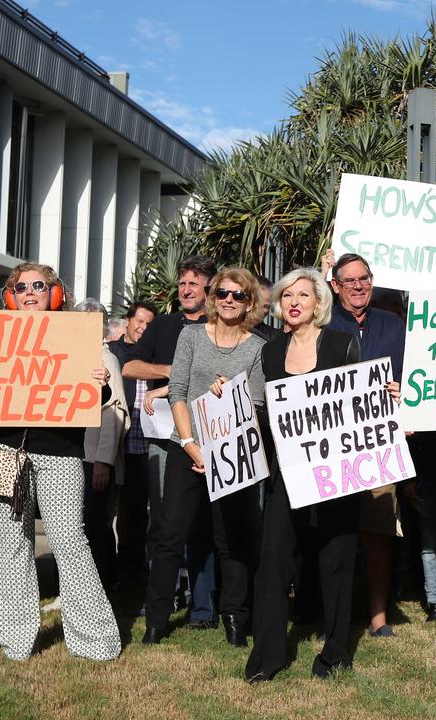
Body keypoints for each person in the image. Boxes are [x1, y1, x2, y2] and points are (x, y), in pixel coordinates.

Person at [0, 263, 120, 661]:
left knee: (70, 542)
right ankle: (15, 644)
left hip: (60, 452)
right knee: (10, 545)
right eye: (20, 287)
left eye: (38, 286)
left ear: (55, 294)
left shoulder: (77, 338)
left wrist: (100, 383)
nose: (29, 293)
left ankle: (96, 641)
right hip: (2, 452)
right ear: (10, 297)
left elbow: (90, 402)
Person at [245, 268, 365, 681]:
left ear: (319, 304)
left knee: (336, 556)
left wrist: (386, 395)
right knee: (274, 559)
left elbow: (359, 403)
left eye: (303, 296)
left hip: (337, 469)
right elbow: (264, 413)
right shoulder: (271, 351)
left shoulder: (342, 343)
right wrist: (231, 400)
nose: (294, 302)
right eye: (287, 296)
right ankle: (268, 656)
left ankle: (335, 652)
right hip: (287, 468)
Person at [142, 268, 267, 648]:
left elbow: (258, 405)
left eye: (238, 295)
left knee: (231, 540)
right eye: (223, 293)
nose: (229, 300)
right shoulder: (191, 335)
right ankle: (157, 620)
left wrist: (233, 392)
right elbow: (177, 391)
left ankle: (234, 617)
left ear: (249, 303)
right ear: (214, 298)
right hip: (189, 449)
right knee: (169, 535)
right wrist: (190, 443)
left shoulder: (257, 347)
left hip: (231, 454)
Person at [124, 257, 220, 628]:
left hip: (209, 436)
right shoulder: (163, 325)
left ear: (210, 288)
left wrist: (182, 379)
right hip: (163, 438)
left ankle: (202, 607)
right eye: (182, 283)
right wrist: (174, 371)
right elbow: (131, 367)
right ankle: (162, 597)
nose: (186, 289)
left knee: (203, 525)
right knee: (165, 523)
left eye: (195, 283)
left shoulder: (218, 326)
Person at [322, 249, 406, 638]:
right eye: (350, 280)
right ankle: (329, 616)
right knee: (331, 534)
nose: (359, 286)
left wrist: (404, 390)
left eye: (364, 278)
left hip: (379, 443)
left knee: (378, 532)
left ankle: (378, 618)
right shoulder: (320, 322)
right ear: (335, 286)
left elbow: (414, 374)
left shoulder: (393, 324)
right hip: (331, 444)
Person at [76, 298, 129, 587]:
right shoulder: (77, 355)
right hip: (80, 456)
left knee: (95, 527)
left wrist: (103, 461)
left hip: (94, 460)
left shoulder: (105, 358)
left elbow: (114, 411)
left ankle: (100, 588)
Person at [108, 300, 157, 586]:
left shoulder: (152, 355)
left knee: (136, 512)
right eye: (139, 321)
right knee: (107, 513)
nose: (143, 327)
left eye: (149, 324)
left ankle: (132, 569)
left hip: (142, 446)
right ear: (127, 321)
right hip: (114, 444)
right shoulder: (114, 352)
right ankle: (111, 569)